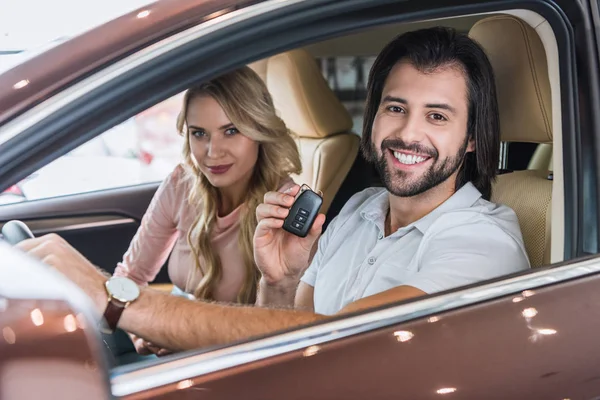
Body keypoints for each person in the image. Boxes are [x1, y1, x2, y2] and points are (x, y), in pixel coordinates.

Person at [18, 27, 530, 352]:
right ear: (373, 118)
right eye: (395, 108)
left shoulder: (481, 243)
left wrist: (115, 298)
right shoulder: (359, 208)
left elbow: (336, 339)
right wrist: (280, 280)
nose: (407, 134)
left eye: (437, 116)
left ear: (470, 140)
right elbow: (295, 333)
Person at [112, 67, 301, 355]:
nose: (212, 152)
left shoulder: (285, 206)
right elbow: (130, 276)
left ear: (258, 131)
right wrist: (133, 328)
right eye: (199, 133)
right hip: (174, 341)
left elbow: (279, 327)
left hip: (239, 358)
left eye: (231, 131)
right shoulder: (180, 183)